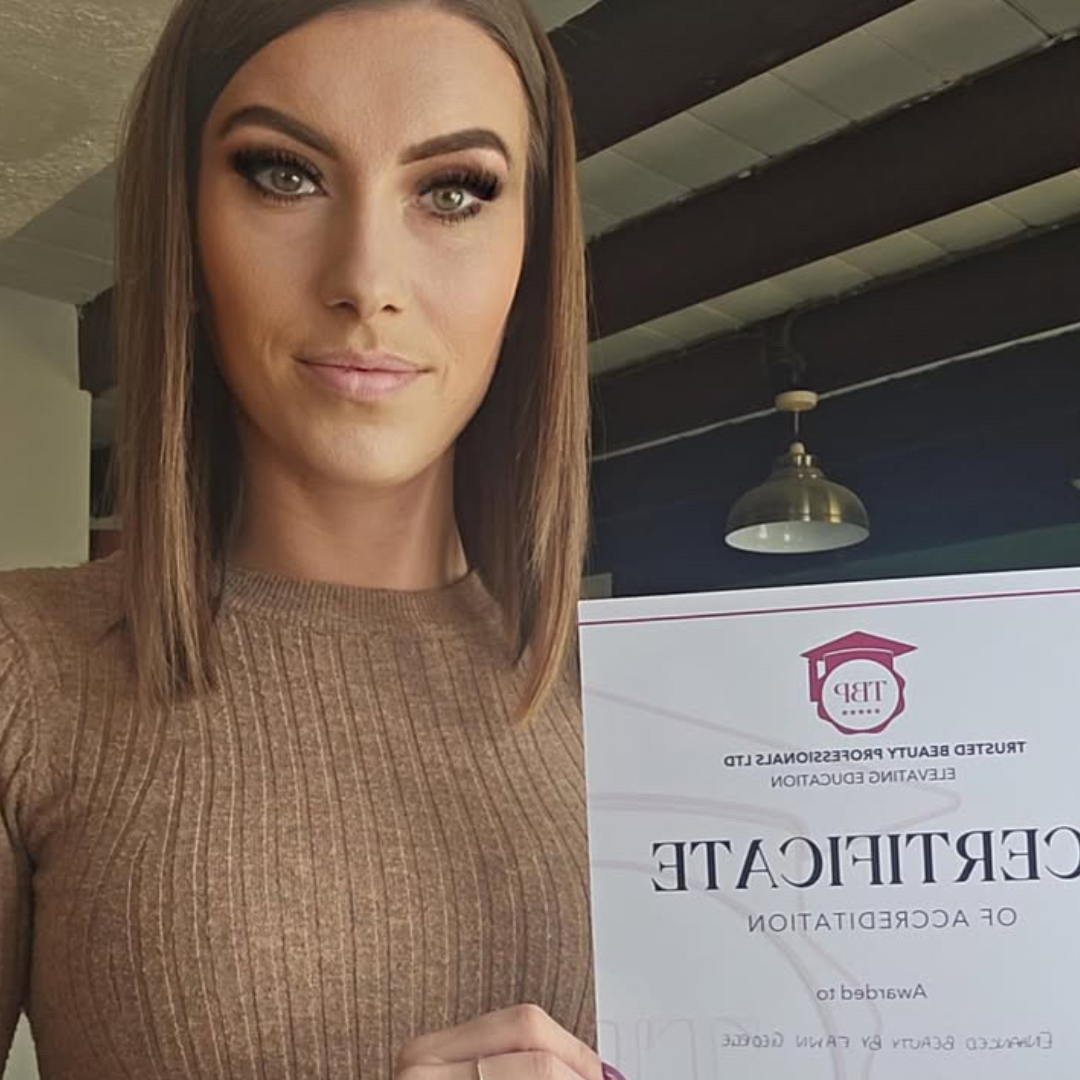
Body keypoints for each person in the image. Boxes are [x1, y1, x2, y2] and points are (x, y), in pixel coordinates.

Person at [0, 1, 622, 1077]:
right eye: (284, 173)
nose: (367, 280)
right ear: (183, 217)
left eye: (454, 190)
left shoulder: (644, 709)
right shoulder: (27, 675)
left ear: (533, 244)